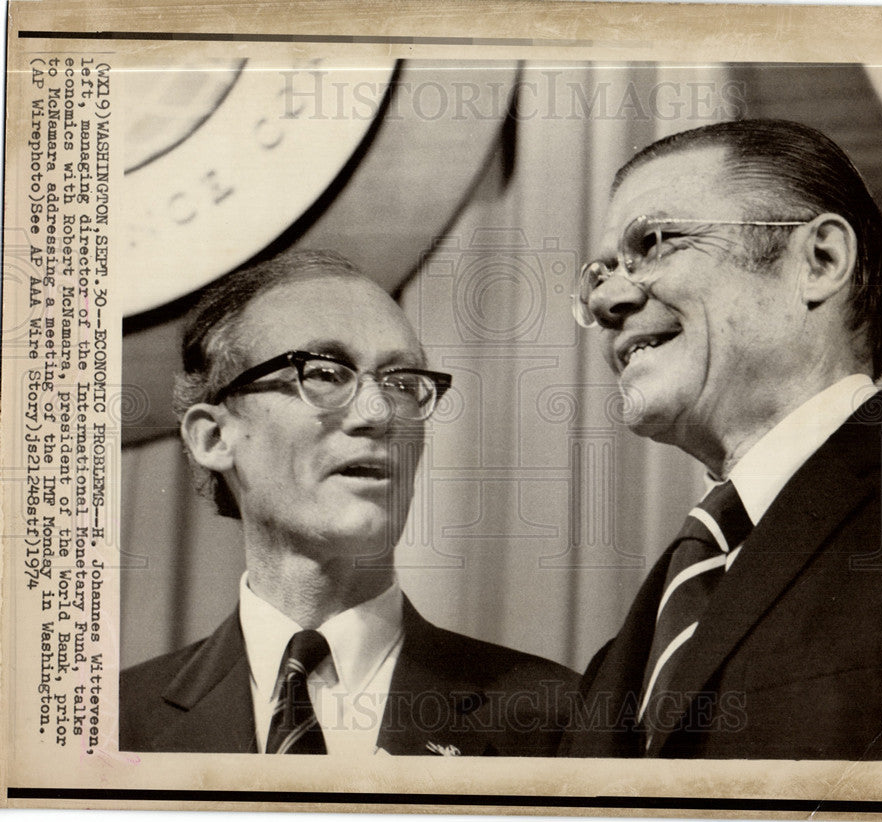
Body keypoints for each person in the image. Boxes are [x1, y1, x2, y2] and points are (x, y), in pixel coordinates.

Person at [558, 119, 882, 760]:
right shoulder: (633, 646)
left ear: (819, 261)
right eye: (600, 272)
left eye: (656, 243)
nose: (609, 298)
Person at [120, 250, 576, 756]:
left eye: (403, 382)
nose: (379, 411)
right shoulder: (115, 725)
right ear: (214, 438)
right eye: (325, 374)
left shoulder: (555, 719)